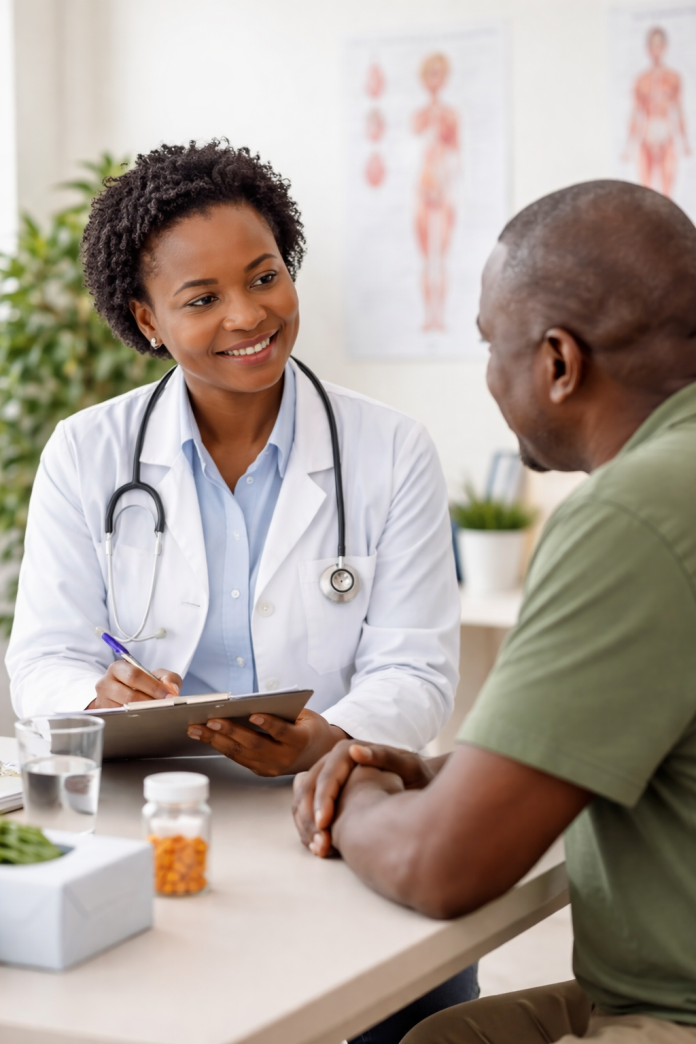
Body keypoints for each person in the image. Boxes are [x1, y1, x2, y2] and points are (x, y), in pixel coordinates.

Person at [7, 140, 478, 1042]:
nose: (248, 315)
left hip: (332, 810)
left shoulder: (389, 451)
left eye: (265, 276)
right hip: (146, 821)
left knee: (405, 1010)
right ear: (146, 319)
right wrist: (95, 696)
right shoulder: (87, 451)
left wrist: (325, 736)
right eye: (201, 298)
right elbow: (43, 659)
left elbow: (418, 674)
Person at [293, 179, 696, 1043]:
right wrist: (447, 778)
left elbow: (442, 867)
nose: (488, 376)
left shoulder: (633, 515)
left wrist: (354, 793)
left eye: (489, 345)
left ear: (557, 360)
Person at [623, 27, 690, 199]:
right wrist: (628, 146)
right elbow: (636, 113)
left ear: (665, 47)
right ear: (647, 48)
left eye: (659, 45)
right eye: (652, 45)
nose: (656, 50)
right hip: (647, 136)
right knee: (646, 192)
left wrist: (685, 141)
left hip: (666, 136)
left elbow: (679, 109)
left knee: (668, 191)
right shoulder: (641, 80)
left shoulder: (673, 77)